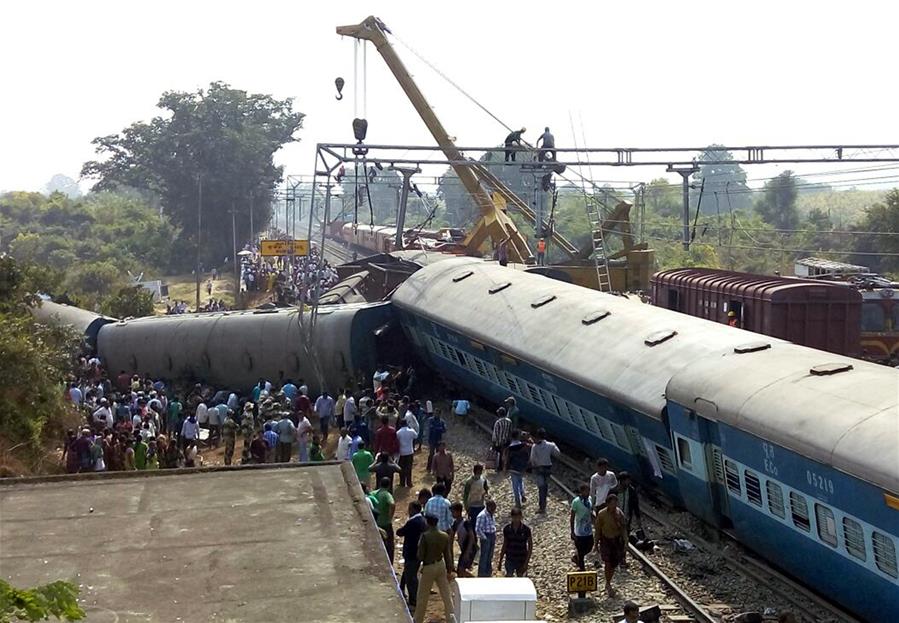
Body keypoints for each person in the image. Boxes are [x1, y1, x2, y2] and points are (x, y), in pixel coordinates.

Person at [412, 514, 456, 623]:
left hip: (429, 566)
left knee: (422, 596)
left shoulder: (425, 536)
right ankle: (451, 618)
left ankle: (418, 620)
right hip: (441, 565)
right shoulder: (444, 535)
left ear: (428, 522)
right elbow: (447, 555)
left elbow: (420, 555)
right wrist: (449, 570)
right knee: (446, 594)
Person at [396, 501, 427, 610]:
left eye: (410, 508)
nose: (408, 511)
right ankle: (402, 587)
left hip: (411, 553)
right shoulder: (422, 520)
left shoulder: (413, 522)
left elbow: (400, 532)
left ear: (413, 509)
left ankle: (413, 601)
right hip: (417, 553)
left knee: (411, 577)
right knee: (409, 572)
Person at [594, 493, 627, 595]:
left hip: (616, 541)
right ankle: (608, 583)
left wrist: (626, 541)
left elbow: (623, 528)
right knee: (607, 563)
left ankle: (609, 580)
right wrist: (596, 543)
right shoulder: (602, 514)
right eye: (612, 504)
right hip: (606, 540)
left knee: (613, 564)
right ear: (608, 504)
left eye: (615, 504)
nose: (614, 506)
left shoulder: (619, 514)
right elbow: (598, 530)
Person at [529, 428, 560, 513]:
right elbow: (557, 454)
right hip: (548, 468)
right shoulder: (550, 445)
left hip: (539, 469)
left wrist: (534, 465)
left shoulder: (534, 447)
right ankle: (544, 505)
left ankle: (542, 507)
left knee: (541, 487)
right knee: (545, 487)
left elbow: (532, 459)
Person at [498, 507, 532, 577]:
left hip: (521, 558)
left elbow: (530, 546)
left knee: (521, 578)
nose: (516, 520)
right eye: (514, 518)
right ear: (511, 517)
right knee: (509, 576)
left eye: (518, 517)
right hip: (510, 558)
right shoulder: (507, 529)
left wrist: (526, 562)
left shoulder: (526, 530)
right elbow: (505, 544)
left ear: (521, 517)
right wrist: (500, 560)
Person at [570, 483, 594, 571]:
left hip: (588, 530)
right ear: (581, 491)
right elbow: (572, 517)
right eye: (586, 491)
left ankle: (577, 558)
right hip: (579, 531)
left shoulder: (590, 499)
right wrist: (572, 531)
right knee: (580, 549)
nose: (588, 492)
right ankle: (582, 567)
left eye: (588, 490)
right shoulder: (576, 502)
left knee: (590, 546)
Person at [450, 502, 477, 577]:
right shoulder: (455, 523)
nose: (452, 514)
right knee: (460, 571)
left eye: (453, 512)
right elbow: (451, 537)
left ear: (458, 512)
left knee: (460, 570)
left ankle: (475, 580)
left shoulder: (466, 523)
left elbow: (472, 537)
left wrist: (467, 552)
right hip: (464, 548)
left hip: (470, 549)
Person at [373, 477, 396, 562]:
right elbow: (392, 504)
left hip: (375, 523)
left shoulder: (373, 493)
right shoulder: (386, 494)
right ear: (389, 486)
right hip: (385, 524)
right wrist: (390, 516)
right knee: (389, 546)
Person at [506, 430, 530, 508]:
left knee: (515, 486)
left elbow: (507, 459)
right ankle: (522, 494)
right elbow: (527, 456)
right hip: (521, 468)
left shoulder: (509, 448)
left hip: (513, 468)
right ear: (518, 436)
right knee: (520, 481)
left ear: (511, 437)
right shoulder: (524, 445)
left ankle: (518, 503)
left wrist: (505, 468)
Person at [475, 499, 497, 577]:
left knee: (490, 556)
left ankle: (488, 573)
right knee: (484, 556)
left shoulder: (491, 514)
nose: (494, 510)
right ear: (488, 507)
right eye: (492, 508)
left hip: (492, 535)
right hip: (486, 536)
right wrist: (484, 538)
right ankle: (482, 574)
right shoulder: (482, 515)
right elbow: (478, 529)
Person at [396, 420, 418, 488]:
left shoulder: (398, 432)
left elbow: (396, 440)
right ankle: (409, 483)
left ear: (400, 424)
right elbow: (416, 436)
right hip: (410, 452)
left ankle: (402, 482)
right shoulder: (411, 431)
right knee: (409, 468)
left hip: (402, 452)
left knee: (402, 468)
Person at [491, 407, 513, 472]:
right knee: (505, 454)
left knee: (499, 454)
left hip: (499, 442)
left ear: (499, 414)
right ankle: (505, 467)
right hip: (506, 441)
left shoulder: (498, 422)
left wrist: (493, 443)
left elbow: (495, 433)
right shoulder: (509, 421)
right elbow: (510, 431)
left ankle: (499, 467)